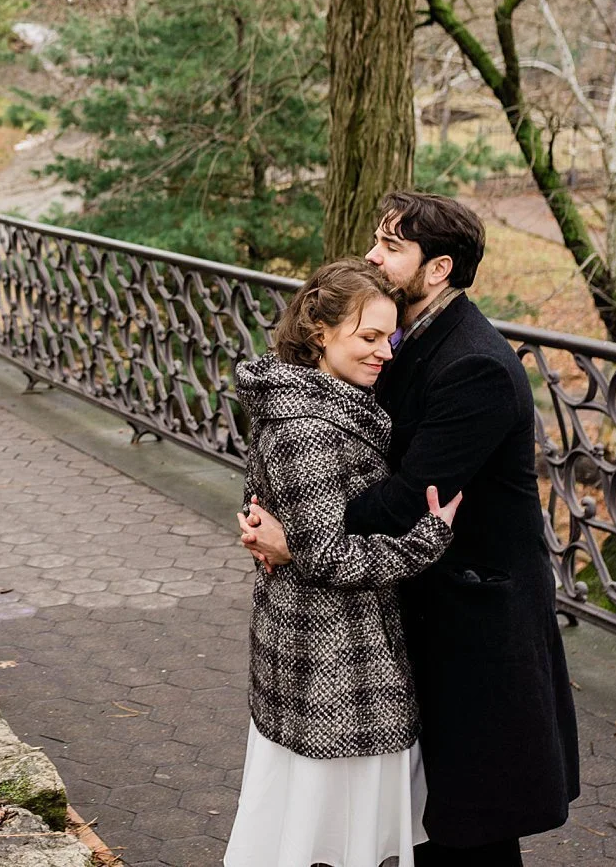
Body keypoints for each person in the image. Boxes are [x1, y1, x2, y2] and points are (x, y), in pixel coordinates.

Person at [239, 193, 579, 866]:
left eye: (391, 245)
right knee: (430, 820)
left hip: (471, 615)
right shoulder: (404, 339)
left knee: (470, 823)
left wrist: (298, 537)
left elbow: (401, 499)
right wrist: (266, 500)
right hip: (410, 600)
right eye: (375, 240)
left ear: (438, 268)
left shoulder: (473, 365)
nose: (372, 254)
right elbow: (322, 445)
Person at [223, 259, 462, 867]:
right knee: (332, 839)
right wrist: (428, 537)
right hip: (336, 661)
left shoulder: (316, 403)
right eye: (368, 337)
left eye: (391, 337)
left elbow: (284, 512)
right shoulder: (309, 424)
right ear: (319, 332)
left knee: (313, 833)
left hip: (315, 646)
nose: (386, 352)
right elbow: (328, 552)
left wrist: (276, 536)